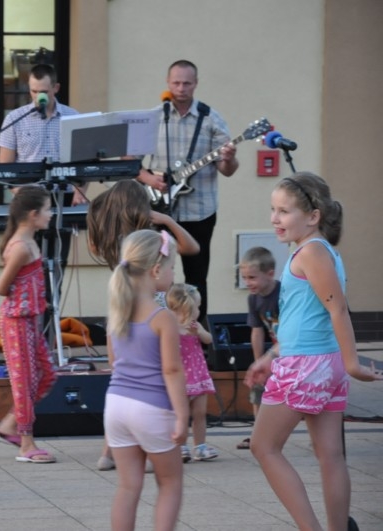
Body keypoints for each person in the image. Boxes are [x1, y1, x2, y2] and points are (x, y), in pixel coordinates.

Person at [245, 172, 382, 530]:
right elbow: (304, 318)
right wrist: (270, 357)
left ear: (313, 216)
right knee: (330, 455)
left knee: (263, 447)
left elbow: (338, 309)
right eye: (273, 210)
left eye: (284, 211)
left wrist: (353, 363)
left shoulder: (312, 252)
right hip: (320, 363)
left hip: (308, 366)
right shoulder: (317, 250)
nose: (275, 218)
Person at [86, 179, 199, 471]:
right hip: (153, 313)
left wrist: (98, 212)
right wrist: (167, 220)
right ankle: (154, 447)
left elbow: (92, 243)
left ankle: (109, 452)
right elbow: (192, 247)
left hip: (121, 312)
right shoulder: (152, 240)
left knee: (123, 376)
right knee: (157, 377)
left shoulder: (113, 238)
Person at [138, 59, 239, 323]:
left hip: (200, 211)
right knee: (157, 275)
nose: (181, 88)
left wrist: (229, 158)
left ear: (196, 84)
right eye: (176, 83)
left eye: (187, 83)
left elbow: (227, 169)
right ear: (167, 82)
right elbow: (130, 163)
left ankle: (196, 333)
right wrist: (150, 180)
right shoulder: (153, 118)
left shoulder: (212, 119)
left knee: (197, 277)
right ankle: (158, 328)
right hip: (159, 210)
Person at [104, 230, 188, 531]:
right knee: (170, 483)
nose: (174, 274)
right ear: (155, 270)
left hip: (116, 405)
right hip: (152, 408)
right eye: (172, 267)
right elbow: (172, 371)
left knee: (128, 487)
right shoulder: (162, 317)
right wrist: (182, 415)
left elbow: (113, 361)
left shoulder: (117, 313)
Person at [0, 63, 82, 331]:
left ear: (55, 88)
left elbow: (86, 164)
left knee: (55, 268)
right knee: (25, 268)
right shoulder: (15, 118)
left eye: (43, 91)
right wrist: (23, 196)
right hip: (27, 206)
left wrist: (80, 190)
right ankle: (24, 330)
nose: (38, 97)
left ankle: (48, 335)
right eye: (33, 91)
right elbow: (5, 169)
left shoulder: (73, 117)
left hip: (60, 200)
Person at [0, 185, 58, 463]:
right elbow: (1, 287)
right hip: (16, 321)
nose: (51, 214)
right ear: (33, 214)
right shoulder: (20, 248)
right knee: (25, 382)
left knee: (47, 374)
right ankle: (26, 444)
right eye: (47, 209)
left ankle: (9, 424)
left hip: (30, 320)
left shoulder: (30, 243)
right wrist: (25, 298)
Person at [165, 283, 218, 462]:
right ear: (187, 307)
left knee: (200, 412)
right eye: (198, 307)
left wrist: (199, 333)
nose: (199, 310)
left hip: (198, 374)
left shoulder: (195, 325)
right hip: (180, 378)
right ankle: (180, 446)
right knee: (181, 414)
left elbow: (209, 339)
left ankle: (200, 446)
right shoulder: (170, 326)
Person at [236, 246, 280, 450]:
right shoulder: (253, 298)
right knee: (257, 389)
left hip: (290, 351)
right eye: (244, 278)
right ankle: (258, 433)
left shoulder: (283, 294)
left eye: (252, 277)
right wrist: (258, 362)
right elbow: (257, 331)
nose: (247, 283)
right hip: (272, 354)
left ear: (270, 274)